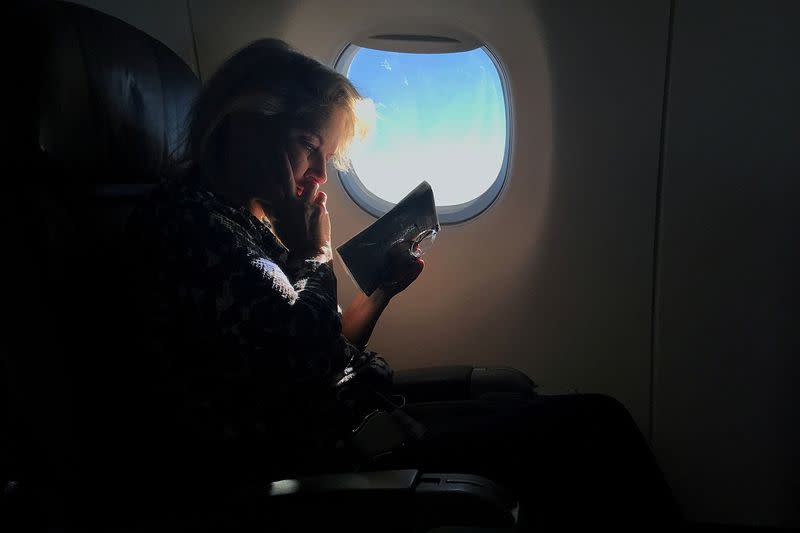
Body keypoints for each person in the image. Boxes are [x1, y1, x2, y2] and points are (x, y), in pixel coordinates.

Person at [116, 38, 681, 528]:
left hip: (360, 421)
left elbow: (319, 348)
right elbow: (303, 369)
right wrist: (314, 254)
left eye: (326, 158)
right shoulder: (194, 231)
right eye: (312, 147)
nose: (318, 175)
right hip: (328, 458)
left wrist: (382, 287)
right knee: (590, 433)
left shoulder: (243, 220)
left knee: (585, 422)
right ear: (247, 121)